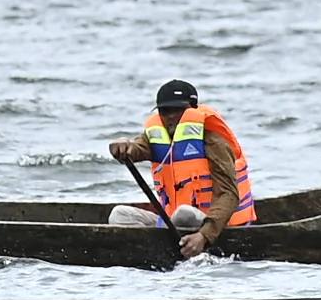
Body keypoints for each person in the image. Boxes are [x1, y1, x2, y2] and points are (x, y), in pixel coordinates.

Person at [106, 78, 256, 256]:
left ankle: (176, 250)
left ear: (192, 109)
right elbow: (137, 148)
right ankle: (149, 255)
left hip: (214, 225)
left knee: (184, 214)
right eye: (165, 110)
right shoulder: (158, 134)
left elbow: (229, 194)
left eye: (178, 110)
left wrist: (203, 235)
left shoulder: (214, 140)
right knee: (120, 214)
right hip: (170, 223)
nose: (170, 116)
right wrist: (124, 146)